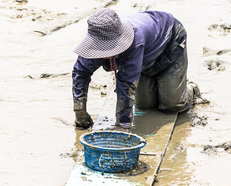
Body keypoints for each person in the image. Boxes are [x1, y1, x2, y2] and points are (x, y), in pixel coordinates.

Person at [72, 8, 200, 129]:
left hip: (169, 42)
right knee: (145, 106)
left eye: (108, 48)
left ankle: (190, 89)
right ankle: (161, 83)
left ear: (118, 42)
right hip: (143, 57)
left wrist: (122, 125)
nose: (104, 53)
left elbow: (127, 84)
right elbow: (80, 72)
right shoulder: (96, 39)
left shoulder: (134, 40)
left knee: (171, 105)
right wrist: (80, 110)